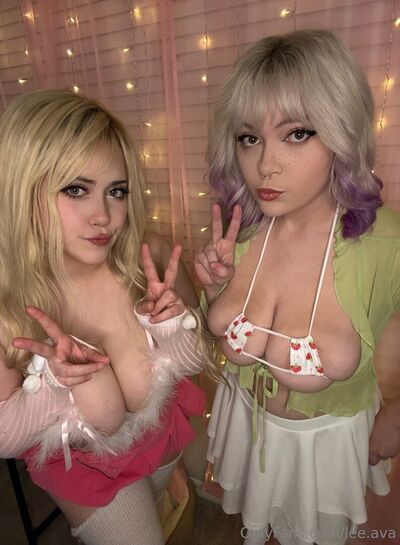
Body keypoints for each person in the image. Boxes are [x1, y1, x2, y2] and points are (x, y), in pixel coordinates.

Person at [194, 29, 400, 545]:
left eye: (297, 133)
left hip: (325, 448)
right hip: (244, 426)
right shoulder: (243, 227)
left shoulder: (383, 241)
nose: (265, 165)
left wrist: (399, 415)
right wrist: (215, 288)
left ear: (341, 132)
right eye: (249, 138)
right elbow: (221, 322)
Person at [0, 89, 213, 545]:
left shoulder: (146, 257)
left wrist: (172, 325)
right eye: (76, 189)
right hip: (87, 470)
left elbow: (195, 359)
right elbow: (5, 437)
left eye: (116, 191)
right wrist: (56, 383)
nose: (104, 217)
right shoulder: (8, 303)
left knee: (167, 510)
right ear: (22, 187)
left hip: (160, 437)